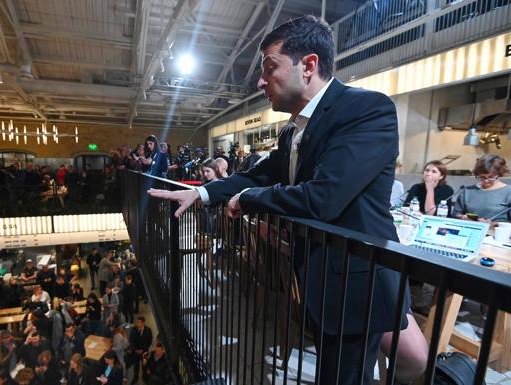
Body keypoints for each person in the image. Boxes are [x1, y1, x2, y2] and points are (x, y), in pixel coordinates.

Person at [148, 16, 413, 385]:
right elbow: (259, 173)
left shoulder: (367, 109)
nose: (259, 81)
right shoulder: (294, 131)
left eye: (269, 67)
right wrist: (202, 192)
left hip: (358, 283)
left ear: (309, 66)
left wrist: (249, 199)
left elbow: (323, 198)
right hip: (320, 281)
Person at [455, 154, 511, 222]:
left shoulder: (508, 192)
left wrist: (494, 224)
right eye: (482, 177)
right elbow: (456, 214)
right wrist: (462, 217)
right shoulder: (467, 191)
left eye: (490, 177)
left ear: (499, 174)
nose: (486, 181)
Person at [128, 317, 152, 384]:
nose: (137, 323)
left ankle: (144, 377)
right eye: (137, 322)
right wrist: (135, 349)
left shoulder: (148, 330)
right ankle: (135, 377)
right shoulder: (133, 329)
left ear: (143, 322)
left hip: (144, 352)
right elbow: (131, 340)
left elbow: (149, 341)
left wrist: (143, 349)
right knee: (136, 366)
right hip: (136, 352)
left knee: (144, 365)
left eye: (139, 322)